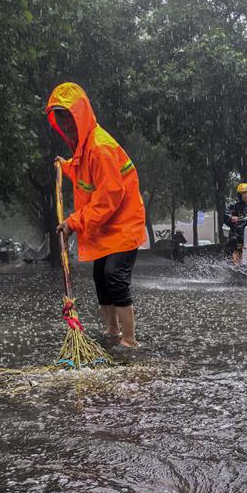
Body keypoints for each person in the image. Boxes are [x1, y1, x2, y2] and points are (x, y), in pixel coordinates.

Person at [46, 82, 146, 352]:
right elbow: (84, 176)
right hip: (105, 227)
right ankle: (112, 330)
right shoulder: (85, 147)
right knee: (100, 276)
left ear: (81, 115)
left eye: (69, 116)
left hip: (123, 225)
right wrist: (65, 165)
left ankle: (129, 339)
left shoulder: (100, 148)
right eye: (60, 118)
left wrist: (73, 223)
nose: (65, 124)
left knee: (114, 276)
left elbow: (107, 200)